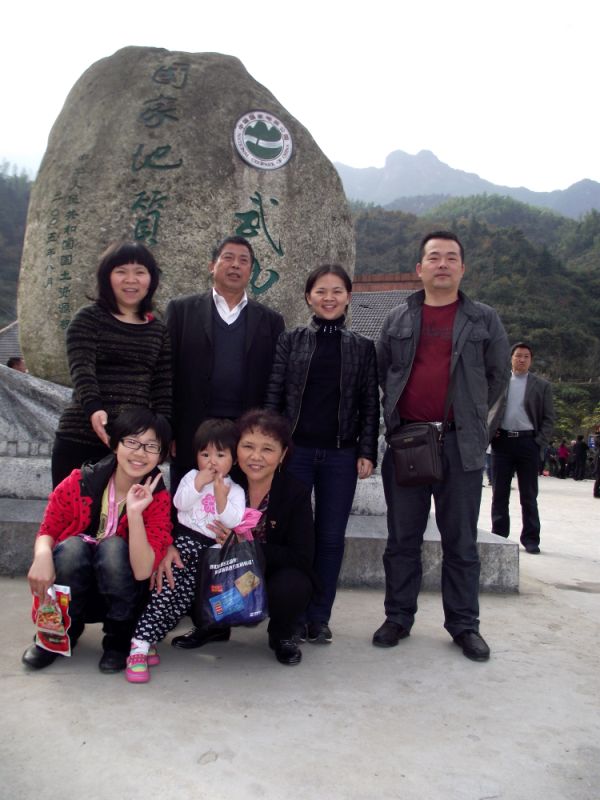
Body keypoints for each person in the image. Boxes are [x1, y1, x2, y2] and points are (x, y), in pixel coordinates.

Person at [373, 231, 509, 662]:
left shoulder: (483, 319)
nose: (443, 264)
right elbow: (383, 372)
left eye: (451, 258)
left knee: (461, 541)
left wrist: (474, 426)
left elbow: (498, 379)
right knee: (402, 538)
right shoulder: (397, 318)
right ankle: (398, 617)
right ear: (420, 268)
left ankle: (464, 625)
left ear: (463, 268)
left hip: (460, 445)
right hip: (409, 442)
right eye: (434, 257)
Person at [264, 264, 379, 644]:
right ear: (308, 297)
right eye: (321, 291)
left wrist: (367, 451)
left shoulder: (362, 347)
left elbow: (369, 404)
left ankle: (319, 617)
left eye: (337, 291)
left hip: (341, 456)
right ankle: (293, 615)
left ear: (348, 296)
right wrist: (271, 448)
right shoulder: (290, 340)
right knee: (296, 538)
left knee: (330, 538)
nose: (329, 298)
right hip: (295, 454)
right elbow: (274, 397)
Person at [22, 408, 173, 673]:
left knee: (113, 547)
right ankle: (57, 635)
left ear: (161, 455)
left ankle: (118, 641)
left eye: (151, 446)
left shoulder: (158, 499)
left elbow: (141, 571)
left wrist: (135, 513)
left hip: (123, 592)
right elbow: (49, 529)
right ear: (115, 444)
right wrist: (42, 555)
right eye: (132, 442)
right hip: (73, 585)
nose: (140, 453)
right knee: (72, 548)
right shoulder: (80, 481)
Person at [162, 409, 315, 666]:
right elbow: (180, 513)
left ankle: (281, 635)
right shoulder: (223, 480)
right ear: (235, 450)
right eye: (248, 447)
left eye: (267, 449)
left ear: (282, 455)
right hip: (220, 569)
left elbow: (301, 556)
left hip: (264, 574)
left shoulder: (294, 492)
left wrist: (247, 546)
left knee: (293, 584)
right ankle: (212, 626)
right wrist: (169, 545)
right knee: (191, 560)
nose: (256, 457)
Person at [125, 418, 245, 682]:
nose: (212, 462)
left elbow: (233, 520)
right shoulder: (191, 478)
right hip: (184, 547)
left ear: (234, 460)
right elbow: (180, 504)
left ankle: (151, 639)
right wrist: (199, 483)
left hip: (210, 556)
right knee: (163, 594)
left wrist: (221, 496)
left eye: (220, 455)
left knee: (180, 605)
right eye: (205, 454)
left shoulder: (235, 490)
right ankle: (138, 646)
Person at [166, 235, 284, 497]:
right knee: (187, 502)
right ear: (212, 266)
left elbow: (275, 381)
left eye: (244, 261)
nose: (235, 265)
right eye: (228, 258)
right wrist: (170, 430)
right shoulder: (181, 311)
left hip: (245, 434)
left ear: (250, 271)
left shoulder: (271, 321)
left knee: (237, 505)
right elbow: (167, 373)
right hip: (192, 430)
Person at [51, 240, 172, 488]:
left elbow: (163, 388)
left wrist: (163, 434)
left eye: (140, 272)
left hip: (134, 445)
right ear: (107, 277)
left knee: (132, 511)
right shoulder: (87, 319)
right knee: (72, 511)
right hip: (81, 435)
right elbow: (82, 370)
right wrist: (94, 408)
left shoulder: (158, 330)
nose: (131, 280)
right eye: (121, 271)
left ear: (151, 279)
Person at [490, 342, 555, 554]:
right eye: (518, 355)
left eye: (526, 356)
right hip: (502, 442)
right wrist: (491, 430)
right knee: (499, 493)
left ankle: (531, 538)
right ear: (511, 358)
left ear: (531, 360)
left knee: (528, 495)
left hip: (528, 443)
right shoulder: (499, 382)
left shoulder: (542, 386)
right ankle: (499, 535)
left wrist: (539, 442)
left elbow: (549, 418)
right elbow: (487, 408)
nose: (522, 359)